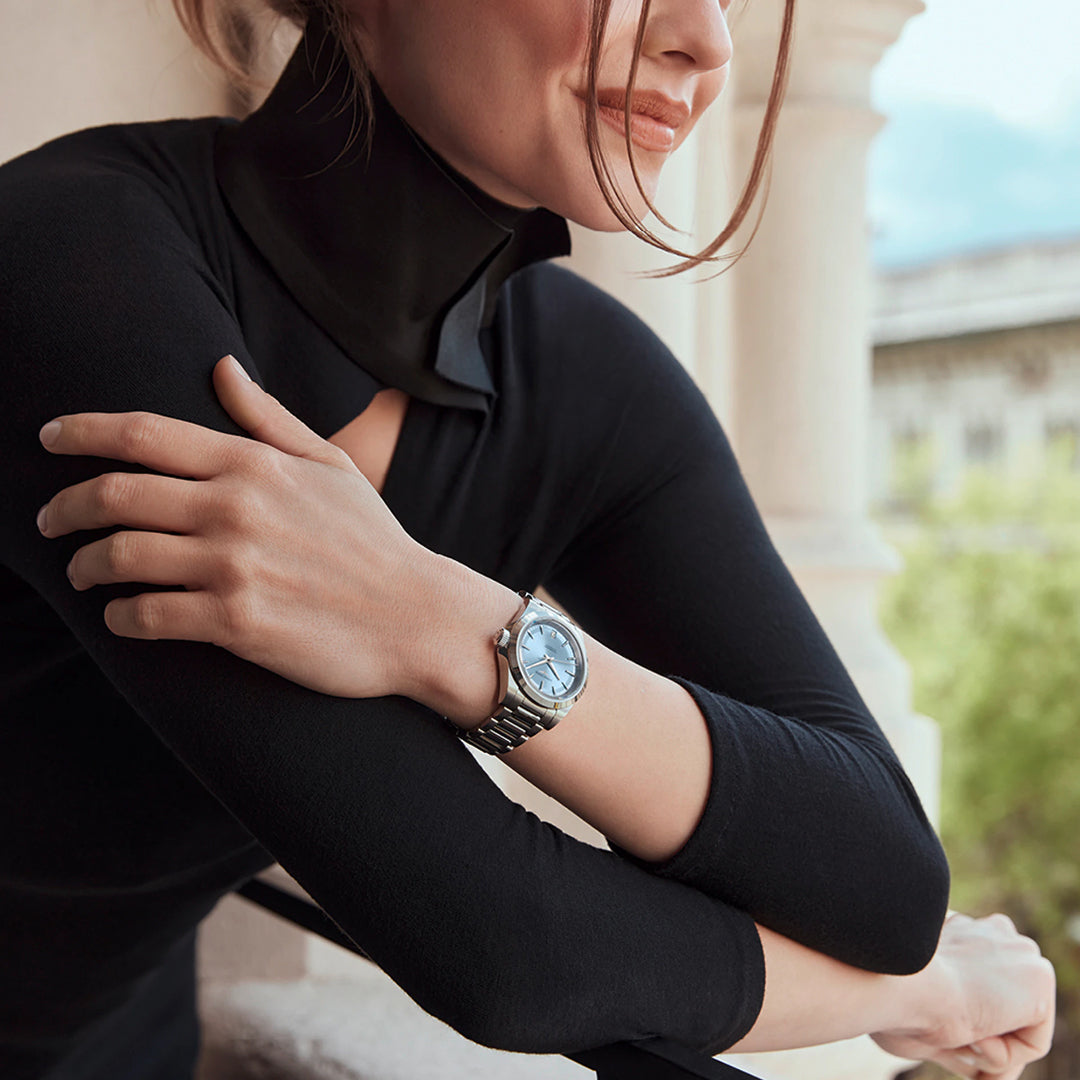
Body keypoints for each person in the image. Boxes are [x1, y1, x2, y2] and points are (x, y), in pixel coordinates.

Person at [0, 1, 1055, 1078]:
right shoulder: (69, 256)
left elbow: (880, 879)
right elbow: (504, 944)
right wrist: (920, 992)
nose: (706, 38)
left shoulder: (581, 378)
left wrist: (450, 626)